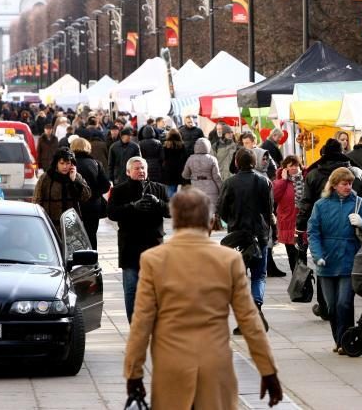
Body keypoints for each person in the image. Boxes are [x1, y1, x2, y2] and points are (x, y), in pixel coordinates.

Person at [123, 187, 282, 409]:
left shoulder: (153, 260)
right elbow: (249, 320)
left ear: (174, 220)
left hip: (171, 365)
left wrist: (134, 372)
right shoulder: (229, 259)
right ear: (210, 221)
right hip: (215, 363)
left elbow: (141, 322)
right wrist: (268, 370)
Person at [308, 167, 362, 354]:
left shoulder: (359, 204)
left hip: (349, 259)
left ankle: (345, 342)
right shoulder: (321, 205)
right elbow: (313, 232)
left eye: (350, 184)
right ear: (334, 185)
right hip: (327, 261)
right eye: (344, 184)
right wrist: (317, 255)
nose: (348, 187)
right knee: (331, 307)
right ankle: (340, 341)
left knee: (344, 303)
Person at [218, 148, 274, 333]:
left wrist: (231, 221)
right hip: (259, 234)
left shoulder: (230, 182)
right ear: (254, 162)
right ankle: (256, 305)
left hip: (237, 236)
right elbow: (268, 209)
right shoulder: (264, 181)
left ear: (236, 163)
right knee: (259, 275)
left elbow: (222, 209)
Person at [107, 157, 169, 323]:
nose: (141, 171)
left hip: (154, 246)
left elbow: (172, 211)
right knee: (131, 289)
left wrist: (159, 203)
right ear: (128, 172)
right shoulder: (119, 191)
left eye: (143, 168)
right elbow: (111, 213)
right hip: (130, 246)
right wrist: (132, 206)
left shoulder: (159, 188)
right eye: (136, 168)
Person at [32, 148, 92, 231]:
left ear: (72, 164)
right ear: (57, 163)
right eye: (62, 163)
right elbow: (37, 199)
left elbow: (86, 196)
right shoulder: (46, 178)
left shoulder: (76, 176)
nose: (65, 166)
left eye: (68, 163)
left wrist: (74, 181)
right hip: (50, 223)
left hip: (71, 225)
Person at [70, 137, 110, 250]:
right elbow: (106, 186)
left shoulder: (69, 164)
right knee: (91, 234)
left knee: (73, 235)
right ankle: (92, 260)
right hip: (93, 205)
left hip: (74, 205)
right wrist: (94, 193)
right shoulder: (96, 164)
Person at [273, 155, 305, 271]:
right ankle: (296, 284)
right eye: (291, 166)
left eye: (296, 165)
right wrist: (283, 180)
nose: (294, 168)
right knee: (292, 256)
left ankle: (305, 285)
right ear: (285, 168)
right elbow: (274, 197)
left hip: (301, 222)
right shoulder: (280, 181)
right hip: (287, 221)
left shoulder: (303, 179)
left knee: (302, 255)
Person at [182, 137, 222, 215]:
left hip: (195, 188)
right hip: (211, 188)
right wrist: (221, 189)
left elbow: (185, 175)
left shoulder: (190, 159)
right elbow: (217, 177)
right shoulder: (212, 159)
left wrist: (193, 176)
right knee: (210, 213)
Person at [161, 128, 187, 198]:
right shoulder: (182, 145)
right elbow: (184, 157)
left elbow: (163, 157)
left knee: (170, 188)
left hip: (168, 168)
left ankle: (171, 204)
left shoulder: (166, 145)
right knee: (177, 187)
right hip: (179, 168)